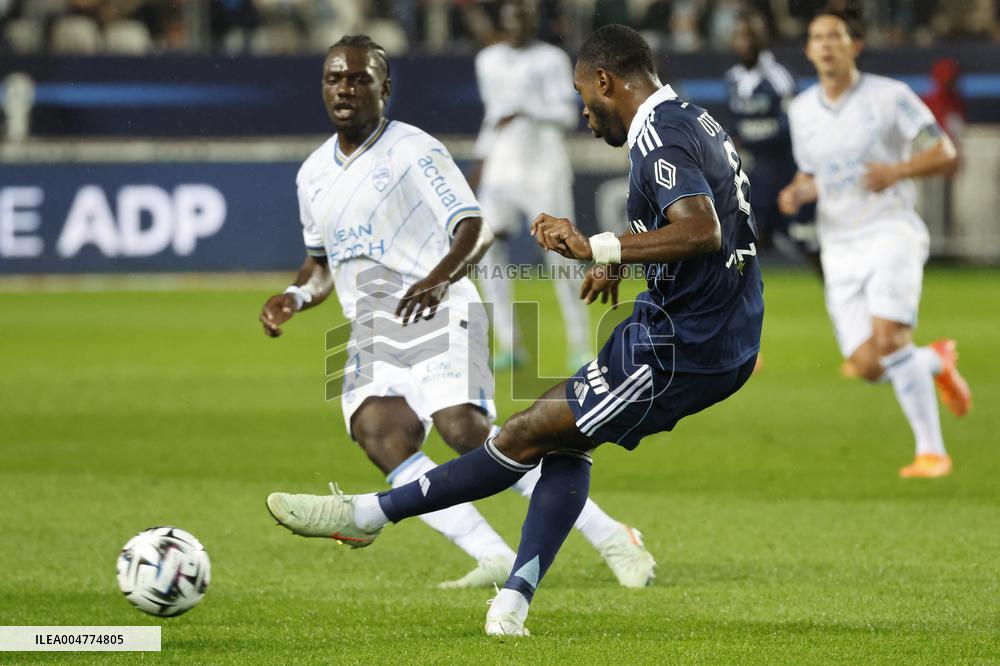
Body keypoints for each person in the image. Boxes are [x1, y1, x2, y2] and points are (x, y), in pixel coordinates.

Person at [266, 24, 763, 636]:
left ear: (605, 81)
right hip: (693, 325)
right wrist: (618, 260)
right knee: (559, 438)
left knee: (522, 431)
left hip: (683, 342)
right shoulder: (692, 119)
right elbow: (723, 227)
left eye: (584, 96)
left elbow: (702, 230)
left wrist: (594, 244)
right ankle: (514, 601)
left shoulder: (658, 135)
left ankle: (370, 514)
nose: (584, 113)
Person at [777, 8, 972, 479]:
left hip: (890, 231)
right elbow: (814, 174)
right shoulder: (802, 111)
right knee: (867, 364)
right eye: (817, 37)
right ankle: (934, 361)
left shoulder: (890, 97)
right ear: (808, 49)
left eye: (836, 36)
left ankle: (932, 453)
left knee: (889, 340)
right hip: (839, 243)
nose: (826, 44)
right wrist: (798, 190)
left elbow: (943, 150)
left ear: (854, 45)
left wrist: (898, 171)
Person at [472, 0, 590, 370]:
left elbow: (566, 114)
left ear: (533, 21)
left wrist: (526, 109)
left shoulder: (551, 59)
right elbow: (494, 115)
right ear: (503, 21)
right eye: (511, 18)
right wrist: (481, 160)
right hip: (501, 168)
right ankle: (509, 343)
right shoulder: (487, 60)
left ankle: (580, 344)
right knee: (484, 248)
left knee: (561, 257)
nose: (518, 24)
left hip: (544, 168)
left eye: (524, 18)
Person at [726, 10, 820, 273]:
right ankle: (741, 300)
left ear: (762, 39)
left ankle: (836, 288)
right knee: (748, 239)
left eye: (750, 37)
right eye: (739, 37)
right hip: (758, 173)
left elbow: (792, 124)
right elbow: (736, 124)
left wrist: (751, 134)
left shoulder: (779, 76)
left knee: (807, 241)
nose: (744, 43)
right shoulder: (733, 78)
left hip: (787, 170)